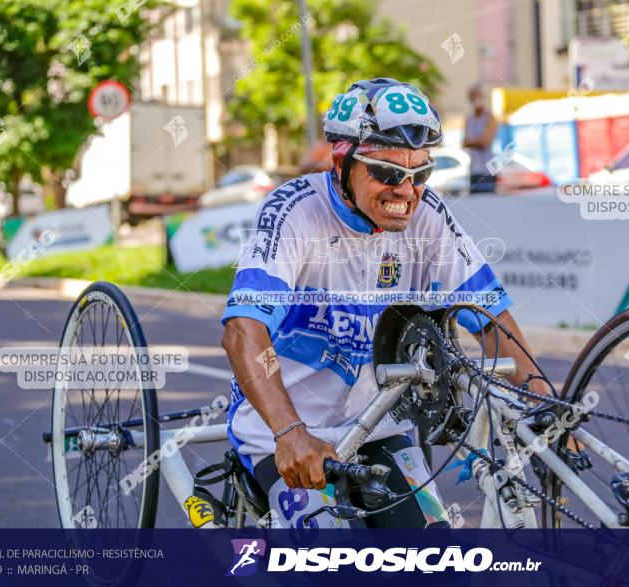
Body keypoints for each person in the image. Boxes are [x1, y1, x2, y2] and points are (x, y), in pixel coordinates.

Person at [220, 78, 550, 529]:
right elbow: (242, 332)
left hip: (378, 425)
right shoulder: (296, 211)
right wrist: (289, 434)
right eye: (388, 173)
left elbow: (490, 318)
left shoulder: (427, 213)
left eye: (421, 173)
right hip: (290, 430)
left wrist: (545, 404)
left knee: (435, 567)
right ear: (342, 163)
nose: (406, 191)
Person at [462, 83, 498, 193]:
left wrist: (473, 142)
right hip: (473, 171)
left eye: (476, 96)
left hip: (487, 171)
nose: (474, 100)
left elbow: (484, 142)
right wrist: (476, 142)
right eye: (471, 97)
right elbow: (464, 143)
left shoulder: (489, 117)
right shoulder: (469, 119)